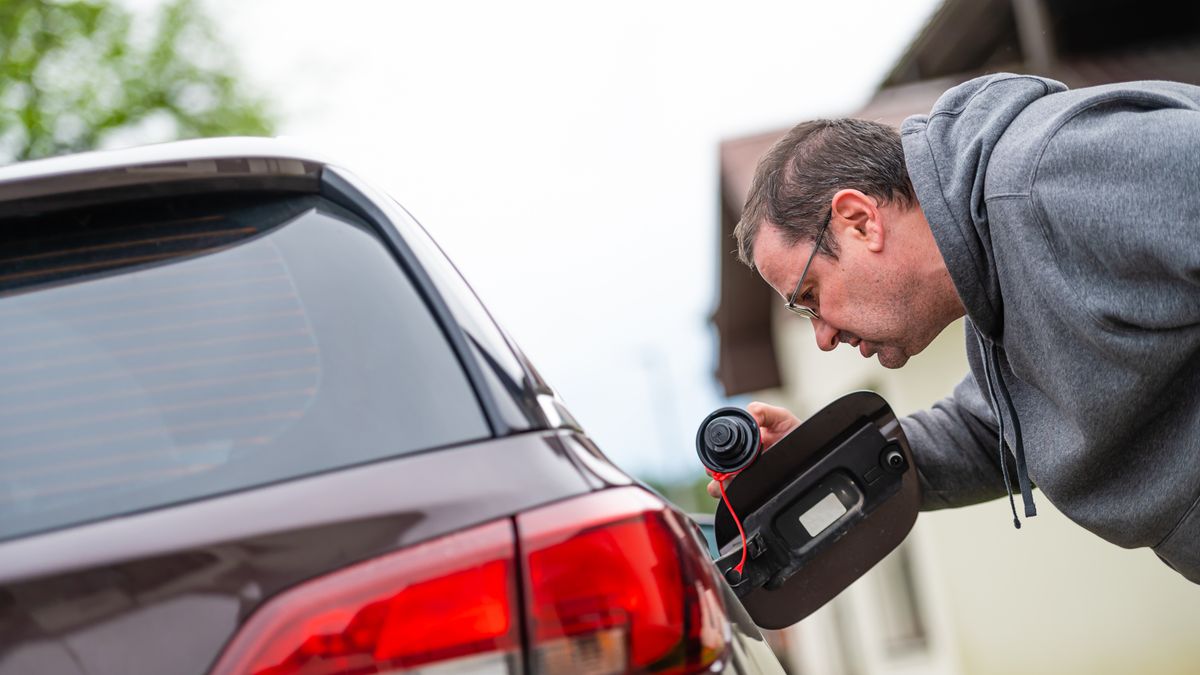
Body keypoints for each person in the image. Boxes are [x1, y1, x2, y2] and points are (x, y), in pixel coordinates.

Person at [708, 73, 1200, 583]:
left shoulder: (1052, 177)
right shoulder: (997, 298)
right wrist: (813, 457)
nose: (823, 337)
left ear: (859, 221)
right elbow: (995, 430)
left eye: (810, 296)